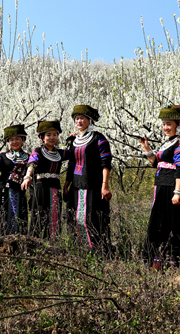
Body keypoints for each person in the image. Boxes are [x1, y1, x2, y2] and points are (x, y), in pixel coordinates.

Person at [140, 104, 180, 271]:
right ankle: (164, 262)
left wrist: (178, 192)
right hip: (163, 187)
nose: (165, 127)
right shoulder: (169, 142)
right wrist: (147, 149)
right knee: (163, 225)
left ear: (179, 124)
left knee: (176, 225)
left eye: (169, 124)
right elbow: (158, 164)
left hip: (173, 188)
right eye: (164, 124)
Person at [63, 105, 113, 255]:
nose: (79, 121)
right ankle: (79, 252)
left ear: (89, 120)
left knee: (93, 219)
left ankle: (97, 253)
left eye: (82, 118)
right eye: (76, 118)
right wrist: (66, 185)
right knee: (75, 219)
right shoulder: (73, 140)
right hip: (76, 186)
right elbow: (71, 164)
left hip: (93, 185)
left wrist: (105, 186)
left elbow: (106, 163)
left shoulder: (98, 138)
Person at [22, 120, 71, 243]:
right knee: (39, 215)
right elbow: (32, 163)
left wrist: (74, 138)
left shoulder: (60, 153)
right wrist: (27, 176)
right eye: (48, 135)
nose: (52, 137)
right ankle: (36, 244)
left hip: (56, 188)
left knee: (54, 216)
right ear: (42, 137)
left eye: (55, 134)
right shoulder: (38, 151)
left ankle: (54, 245)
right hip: (41, 188)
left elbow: (75, 153)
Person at [0, 124, 30, 244]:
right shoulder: (3, 156)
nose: (14, 142)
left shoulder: (28, 157)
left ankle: (17, 248)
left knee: (18, 220)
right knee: (0, 221)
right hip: (2, 192)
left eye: (17, 138)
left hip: (19, 193)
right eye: (11, 139)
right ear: (8, 142)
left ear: (23, 140)